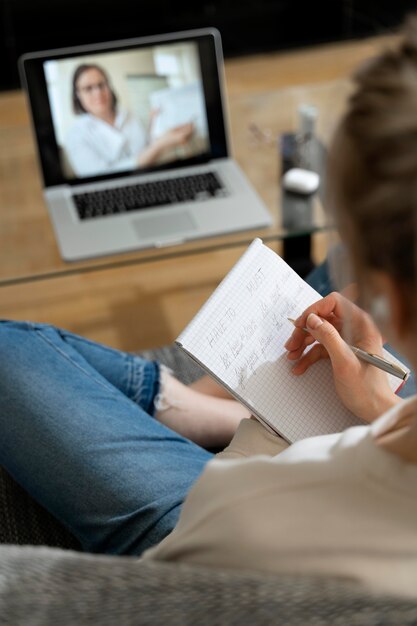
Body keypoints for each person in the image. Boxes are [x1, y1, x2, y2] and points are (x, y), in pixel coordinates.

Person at [1, 16, 417, 599]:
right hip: (365, 442)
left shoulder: (246, 512)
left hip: (220, 522)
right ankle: (196, 402)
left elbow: (204, 534)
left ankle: (192, 405)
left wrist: (262, 432)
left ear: (390, 298)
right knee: (332, 280)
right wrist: (377, 403)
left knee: (8, 349)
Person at [65, 63, 194, 177]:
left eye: (101, 85)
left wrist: (154, 127)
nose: (98, 92)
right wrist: (159, 146)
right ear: (78, 95)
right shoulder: (76, 135)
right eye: (88, 88)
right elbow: (100, 177)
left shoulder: (130, 116)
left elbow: (145, 150)